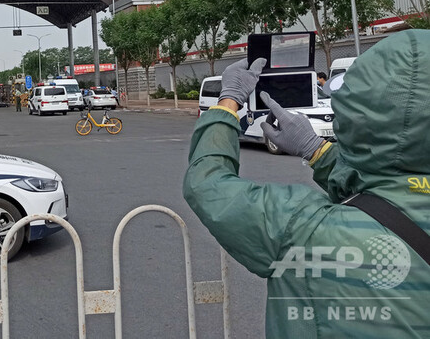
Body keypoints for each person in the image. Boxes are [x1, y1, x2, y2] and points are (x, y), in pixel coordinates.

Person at [183, 30, 430, 337]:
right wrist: (317, 151)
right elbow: (392, 182)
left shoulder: (303, 229)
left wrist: (228, 102)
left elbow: (208, 185)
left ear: (354, 122)